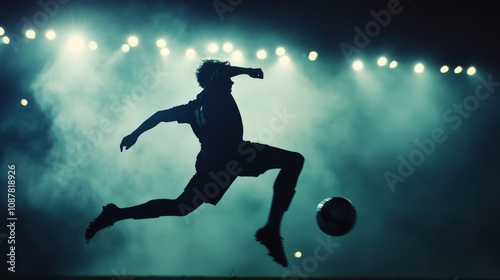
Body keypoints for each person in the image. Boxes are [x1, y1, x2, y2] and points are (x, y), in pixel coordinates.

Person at [85, 59, 304, 267]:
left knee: (181, 207)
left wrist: (135, 134)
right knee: (294, 161)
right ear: (214, 79)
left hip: (213, 163)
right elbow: (222, 74)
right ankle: (271, 229)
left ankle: (117, 214)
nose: (232, 81)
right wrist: (249, 70)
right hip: (236, 155)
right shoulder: (216, 89)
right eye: (227, 78)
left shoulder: (192, 108)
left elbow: (160, 115)